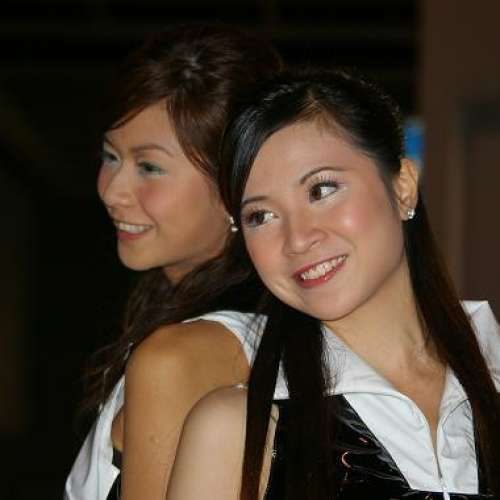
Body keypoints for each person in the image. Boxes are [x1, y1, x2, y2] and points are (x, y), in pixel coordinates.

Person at [166, 68, 500, 499]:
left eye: (321, 190)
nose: (297, 239)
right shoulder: (237, 430)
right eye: (261, 216)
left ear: (403, 187)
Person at [64, 23, 282, 500]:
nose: (113, 191)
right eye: (110, 156)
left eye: (149, 167)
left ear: (236, 188)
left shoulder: (180, 356)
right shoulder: (269, 323)